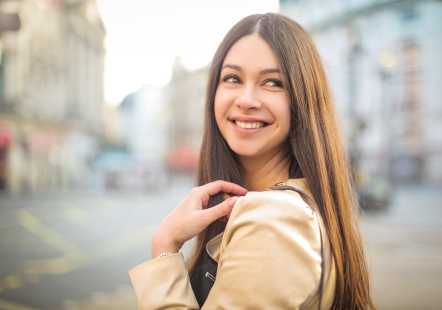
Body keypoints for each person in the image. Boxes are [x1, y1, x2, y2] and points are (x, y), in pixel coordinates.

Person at [129, 13, 376, 310]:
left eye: (272, 82)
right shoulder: (294, 205)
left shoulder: (273, 219)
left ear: (301, 100)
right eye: (232, 78)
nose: (246, 100)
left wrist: (165, 246)